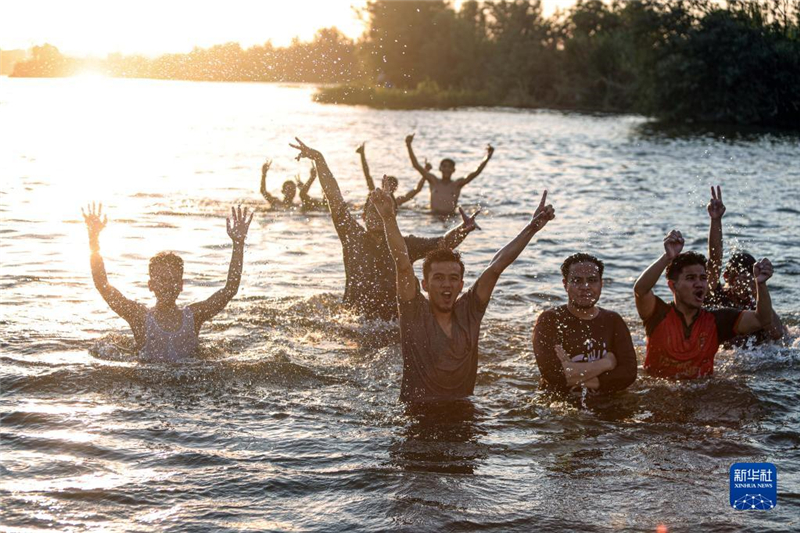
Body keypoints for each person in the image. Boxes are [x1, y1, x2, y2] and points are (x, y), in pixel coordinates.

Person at [372, 186, 555, 403]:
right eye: (438, 278)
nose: (446, 285)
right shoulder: (413, 312)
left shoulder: (470, 310)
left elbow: (496, 266)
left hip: (464, 411)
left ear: (461, 285)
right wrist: (388, 217)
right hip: (418, 415)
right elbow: (402, 263)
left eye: (452, 278)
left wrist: (532, 228)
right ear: (425, 285)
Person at [290, 138, 481, 321]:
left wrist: (464, 229)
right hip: (355, 319)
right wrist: (319, 159)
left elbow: (442, 243)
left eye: (382, 211)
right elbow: (334, 198)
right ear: (363, 216)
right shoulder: (352, 235)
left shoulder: (404, 245)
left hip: (394, 321)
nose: (377, 215)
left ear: (392, 216)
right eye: (371, 210)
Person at [82, 202, 253, 361]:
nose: (168, 285)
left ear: (181, 285)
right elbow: (102, 286)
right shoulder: (140, 318)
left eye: (173, 280)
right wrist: (93, 239)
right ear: (151, 286)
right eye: (161, 280)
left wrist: (238, 244)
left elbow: (230, 289)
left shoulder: (193, 317)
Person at [633, 229, 776, 379]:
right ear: (672, 286)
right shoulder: (658, 313)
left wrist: (761, 285)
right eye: (690, 278)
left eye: (702, 278)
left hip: (701, 395)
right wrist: (667, 257)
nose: (699, 284)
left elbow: (762, 319)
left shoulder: (717, 320)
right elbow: (640, 290)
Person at [533, 253, 637, 396]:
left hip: (607, 404)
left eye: (592, 280)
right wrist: (606, 364)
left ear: (601, 283)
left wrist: (572, 372)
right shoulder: (550, 320)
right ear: (565, 284)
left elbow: (628, 374)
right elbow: (554, 376)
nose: (585, 287)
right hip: (560, 407)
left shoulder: (613, 320)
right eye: (577, 280)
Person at [704, 185, 784, 342]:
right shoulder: (715, 293)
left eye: (751, 279)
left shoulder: (755, 302)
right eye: (745, 278)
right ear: (727, 276)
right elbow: (714, 261)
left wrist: (759, 288)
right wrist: (716, 220)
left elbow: (777, 333)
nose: (747, 285)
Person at [405, 133, 494, 215]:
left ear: (453, 170)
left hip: (451, 217)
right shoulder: (433, 181)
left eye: (449, 167)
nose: (447, 169)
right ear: (440, 168)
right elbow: (416, 165)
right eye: (444, 166)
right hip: (433, 218)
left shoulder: (457, 184)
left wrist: (487, 157)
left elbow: (476, 172)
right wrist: (408, 145)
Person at [356, 142, 425, 207]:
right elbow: (367, 175)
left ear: (396, 187)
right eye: (387, 184)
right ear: (382, 185)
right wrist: (362, 155)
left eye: (391, 185)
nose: (388, 188)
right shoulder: (374, 195)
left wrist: (425, 173)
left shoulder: (397, 201)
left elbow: (417, 190)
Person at [260, 159, 326, 211]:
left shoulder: (297, 206)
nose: (291, 192)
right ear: (283, 191)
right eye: (289, 189)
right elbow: (263, 191)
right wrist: (263, 174)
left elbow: (304, 196)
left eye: (293, 190)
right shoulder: (276, 202)